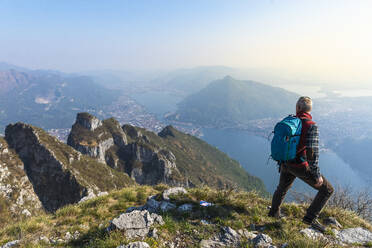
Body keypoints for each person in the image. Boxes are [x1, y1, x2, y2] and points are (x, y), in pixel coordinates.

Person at [268, 96, 334, 233]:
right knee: (327, 190)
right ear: (310, 110)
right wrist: (316, 175)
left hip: (286, 162)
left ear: (297, 108)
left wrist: (282, 162)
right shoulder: (311, 125)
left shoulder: (290, 121)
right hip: (300, 165)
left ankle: (273, 213)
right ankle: (309, 219)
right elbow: (312, 153)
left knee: (282, 188)